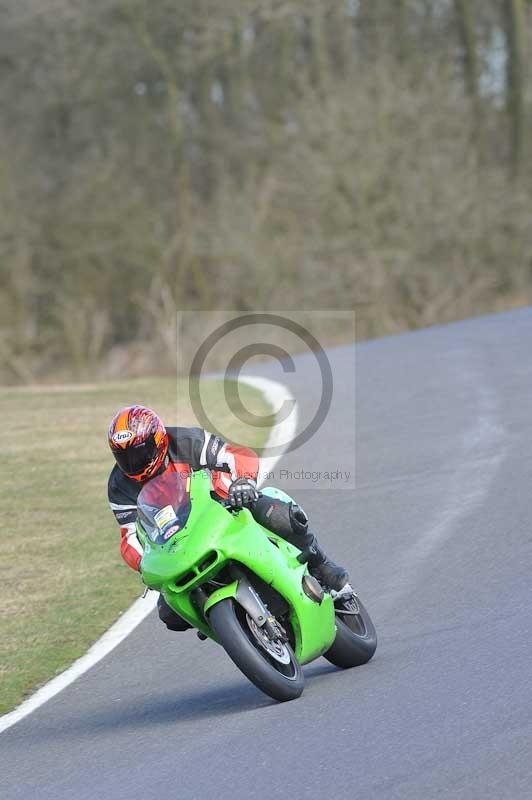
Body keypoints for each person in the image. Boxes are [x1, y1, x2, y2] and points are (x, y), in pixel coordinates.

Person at [108, 405, 349, 631]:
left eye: (139, 454)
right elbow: (130, 535)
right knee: (169, 613)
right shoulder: (119, 486)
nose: (132, 463)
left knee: (279, 515)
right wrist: (145, 563)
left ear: (158, 441)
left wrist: (243, 482)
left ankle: (321, 563)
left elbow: (234, 454)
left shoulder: (186, 441)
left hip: (225, 505)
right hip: (179, 540)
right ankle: (229, 626)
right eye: (124, 456)